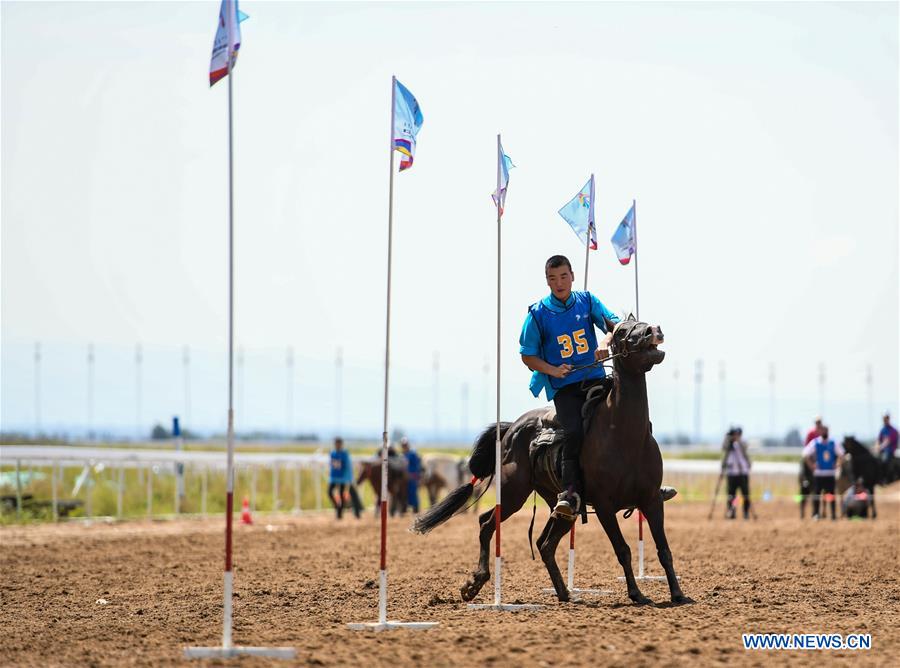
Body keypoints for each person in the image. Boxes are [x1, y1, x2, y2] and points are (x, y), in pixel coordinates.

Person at [519, 255, 619, 520]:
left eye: (563, 276)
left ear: (572, 276)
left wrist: (605, 342)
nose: (559, 283)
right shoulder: (537, 314)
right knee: (574, 432)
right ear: (547, 281)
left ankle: (645, 478)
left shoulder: (588, 301)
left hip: (596, 378)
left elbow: (614, 324)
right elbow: (527, 355)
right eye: (553, 278)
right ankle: (570, 493)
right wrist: (553, 370)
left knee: (629, 412)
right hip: (565, 388)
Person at [802, 426, 845, 520]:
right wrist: (811, 465)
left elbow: (842, 454)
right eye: (823, 430)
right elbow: (805, 454)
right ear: (820, 431)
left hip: (830, 473)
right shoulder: (815, 442)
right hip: (819, 474)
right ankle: (816, 514)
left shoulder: (833, 442)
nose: (824, 432)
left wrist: (837, 464)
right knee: (817, 495)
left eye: (826, 430)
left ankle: (833, 514)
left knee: (831, 494)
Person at [721, 427, 751, 519]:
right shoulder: (729, 444)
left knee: (745, 494)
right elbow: (724, 448)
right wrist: (728, 439)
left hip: (742, 472)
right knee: (731, 495)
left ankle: (746, 512)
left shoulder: (742, 443)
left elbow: (744, 448)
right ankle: (731, 511)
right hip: (731, 473)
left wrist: (737, 441)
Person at [328, 437, 361, 519]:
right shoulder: (333, 453)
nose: (337, 445)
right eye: (336, 443)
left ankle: (341, 513)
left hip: (344, 479)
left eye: (339, 443)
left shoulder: (345, 454)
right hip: (335, 478)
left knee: (344, 495)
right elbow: (333, 466)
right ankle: (339, 508)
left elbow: (347, 467)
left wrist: (349, 479)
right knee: (330, 492)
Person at [400, 437, 422, 514]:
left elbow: (416, 466)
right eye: (403, 445)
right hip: (404, 477)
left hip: (412, 476)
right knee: (404, 493)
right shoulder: (402, 454)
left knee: (412, 492)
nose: (404, 446)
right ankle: (404, 508)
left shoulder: (412, 454)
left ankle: (415, 509)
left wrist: (413, 475)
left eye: (405, 445)